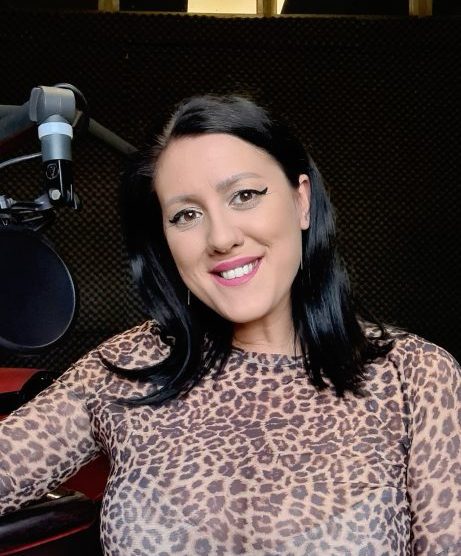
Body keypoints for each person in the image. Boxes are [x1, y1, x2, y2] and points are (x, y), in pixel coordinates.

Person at [0, 95, 459, 556]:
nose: (220, 238)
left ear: (301, 201)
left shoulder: (415, 377)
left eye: (244, 195)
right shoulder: (126, 367)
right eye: (186, 215)